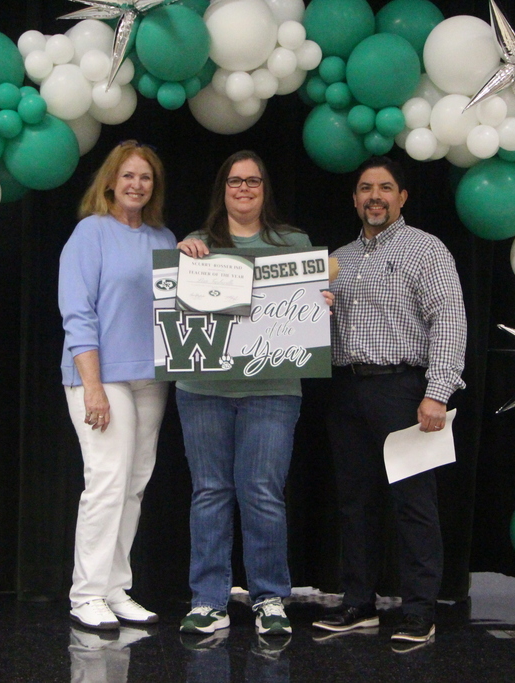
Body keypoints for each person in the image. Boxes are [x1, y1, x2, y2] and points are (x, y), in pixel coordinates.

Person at [312, 156, 466, 645]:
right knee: (354, 502)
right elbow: (306, 330)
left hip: (404, 389)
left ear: (402, 197)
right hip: (347, 387)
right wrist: (315, 310)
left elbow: (449, 320)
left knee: (413, 503)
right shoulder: (337, 259)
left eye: (384, 187)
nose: (373, 196)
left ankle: (420, 611)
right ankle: (359, 603)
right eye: (364, 188)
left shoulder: (426, 250)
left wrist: (436, 393)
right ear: (354, 198)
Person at [175, 151, 327, 637]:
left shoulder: (294, 243)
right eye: (235, 181)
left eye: (253, 181)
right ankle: (208, 600)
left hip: (273, 389)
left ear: (265, 190)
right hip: (201, 389)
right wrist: (179, 261)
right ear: (222, 189)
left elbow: (312, 308)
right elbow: (169, 302)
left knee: (261, 492)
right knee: (210, 493)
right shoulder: (197, 244)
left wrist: (319, 300)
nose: (244, 189)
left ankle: (269, 599)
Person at [59, 140, 178, 630]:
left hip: (151, 377)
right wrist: (92, 388)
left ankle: (115, 587)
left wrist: (190, 256)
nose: (136, 185)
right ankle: (85, 593)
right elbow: (77, 312)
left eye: (145, 178)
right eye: (128, 176)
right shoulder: (92, 233)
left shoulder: (163, 237)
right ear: (110, 181)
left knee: (134, 484)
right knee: (106, 483)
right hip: (101, 377)